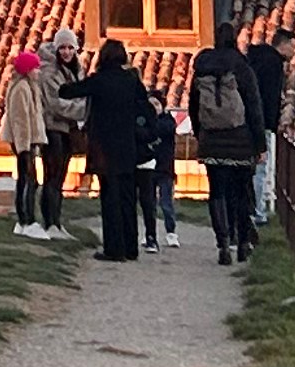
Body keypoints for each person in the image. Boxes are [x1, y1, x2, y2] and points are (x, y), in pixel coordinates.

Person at [189, 14, 264, 263]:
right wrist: (259, 144)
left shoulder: (202, 66)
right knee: (241, 191)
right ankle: (242, 243)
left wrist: (200, 133)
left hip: (211, 138)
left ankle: (223, 244)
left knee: (217, 192)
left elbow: (194, 105)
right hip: (240, 139)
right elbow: (254, 106)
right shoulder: (241, 66)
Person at [83, 35, 149, 259]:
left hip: (104, 149)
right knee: (128, 198)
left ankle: (114, 248)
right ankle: (131, 248)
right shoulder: (131, 80)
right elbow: (144, 101)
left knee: (110, 199)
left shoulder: (99, 80)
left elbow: (69, 91)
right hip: (128, 147)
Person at [0, 45, 55, 238]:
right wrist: (24, 147)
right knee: (28, 180)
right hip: (25, 142)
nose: (38, 72)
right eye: (35, 68)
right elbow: (20, 120)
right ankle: (27, 219)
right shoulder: (21, 89)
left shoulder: (28, 87)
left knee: (28, 179)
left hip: (29, 141)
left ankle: (26, 219)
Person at [41, 28, 89, 244]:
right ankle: (50, 222)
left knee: (60, 177)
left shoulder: (76, 69)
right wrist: (82, 110)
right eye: (63, 47)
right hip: (53, 128)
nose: (67, 52)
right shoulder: (49, 72)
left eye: (70, 47)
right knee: (52, 176)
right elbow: (56, 104)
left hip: (67, 129)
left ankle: (56, 222)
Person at [247, 19, 290, 233]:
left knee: (250, 168)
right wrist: (271, 125)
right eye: (292, 46)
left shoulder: (255, 60)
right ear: (284, 45)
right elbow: (270, 98)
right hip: (262, 124)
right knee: (260, 169)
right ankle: (258, 211)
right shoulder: (273, 65)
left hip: (248, 122)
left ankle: (249, 208)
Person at [138, 80, 179, 249]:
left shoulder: (167, 122)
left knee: (166, 203)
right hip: (149, 168)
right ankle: (149, 232)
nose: (153, 107)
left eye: (156, 104)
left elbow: (165, 129)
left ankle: (171, 232)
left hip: (165, 169)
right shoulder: (144, 125)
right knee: (149, 203)